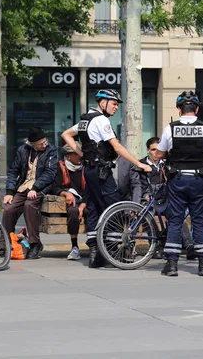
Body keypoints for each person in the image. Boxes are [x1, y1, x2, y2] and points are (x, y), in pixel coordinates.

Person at [61, 89, 151, 269]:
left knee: (94, 207)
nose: (116, 107)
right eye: (114, 103)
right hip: (101, 170)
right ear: (103, 103)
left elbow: (66, 135)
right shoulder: (101, 120)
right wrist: (139, 164)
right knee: (114, 207)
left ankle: (96, 253)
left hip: (89, 169)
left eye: (117, 104)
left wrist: (82, 153)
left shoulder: (86, 119)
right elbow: (117, 147)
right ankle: (112, 249)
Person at [154, 91, 203, 277]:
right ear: (197, 109)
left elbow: (159, 154)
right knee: (199, 220)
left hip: (177, 179)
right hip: (199, 179)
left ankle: (172, 265)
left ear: (178, 109)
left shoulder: (171, 128)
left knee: (175, 220)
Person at [0, 127, 57, 259]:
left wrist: (36, 188)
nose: (44, 144)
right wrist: (9, 192)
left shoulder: (51, 150)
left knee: (29, 206)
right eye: (40, 144)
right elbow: (14, 171)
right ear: (32, 144)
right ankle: (4, 247)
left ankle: (35, 243)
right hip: (23, 187)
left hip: (41, 188)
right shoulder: (23, 150)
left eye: (45, 141)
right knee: (9, 209)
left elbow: (50, 173)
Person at [52, 143, 87, 261]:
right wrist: (66, 193)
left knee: (93, 211)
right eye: (77, 154)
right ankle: (75, 246)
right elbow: (55, 188)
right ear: (68, 156)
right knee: (73, 211)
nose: (80, 156)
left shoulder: (85, 167)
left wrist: (83, 205)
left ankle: (95, 244)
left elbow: (91, 189)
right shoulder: (60, 167)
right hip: (70, 201)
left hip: (86, 200)